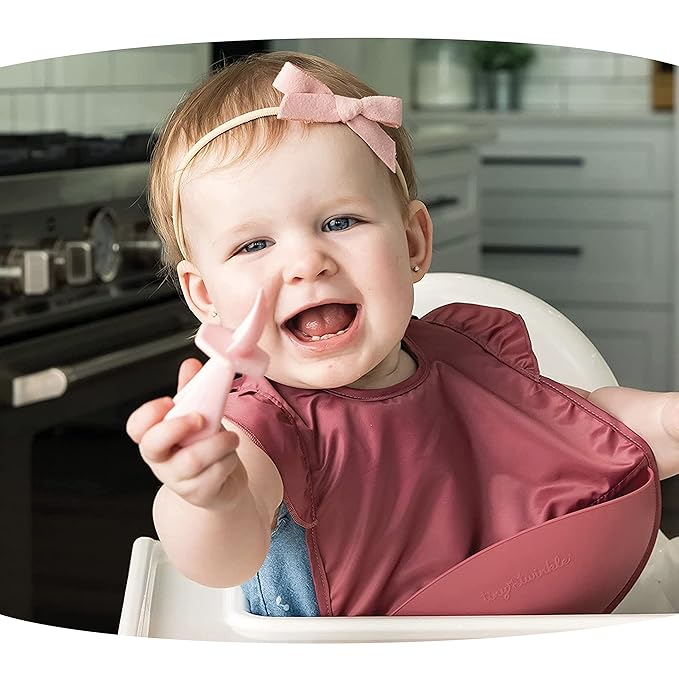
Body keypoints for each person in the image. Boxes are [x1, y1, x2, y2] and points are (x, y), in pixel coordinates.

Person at [126, 51, 679, 618]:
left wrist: (665, 421)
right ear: (205, 296)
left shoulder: (468, 355)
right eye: (254, 245)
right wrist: (208, 496)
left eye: (339, 222)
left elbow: (588, 428)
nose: (306, 263)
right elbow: (222, 558)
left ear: (413, 243)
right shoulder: (259, 424)